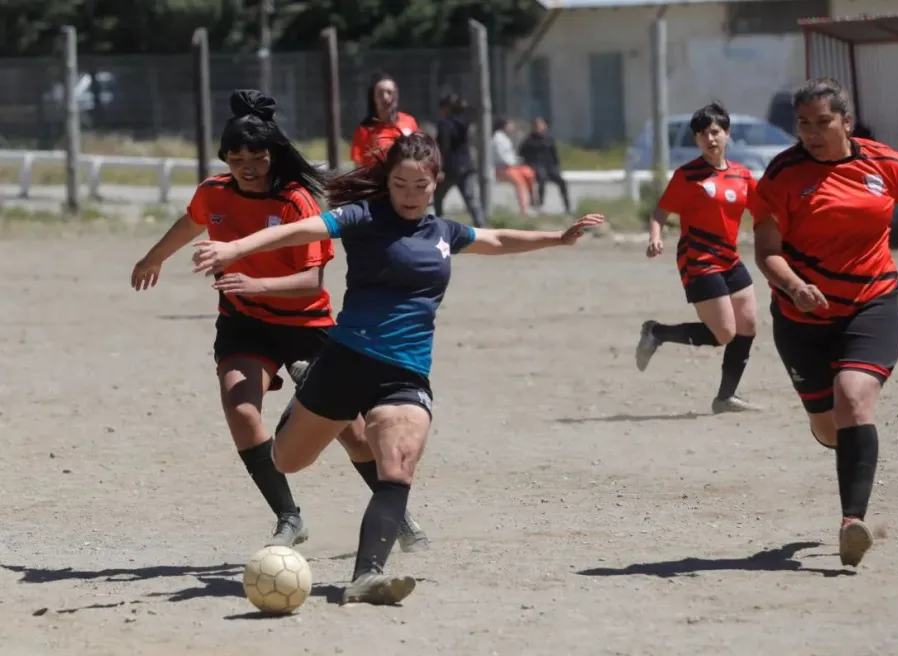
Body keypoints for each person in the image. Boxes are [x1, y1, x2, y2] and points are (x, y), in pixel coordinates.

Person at [190, 131, 604, 605]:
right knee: (288, 460)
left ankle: (367, 575)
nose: (409, 196)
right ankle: (304, 395)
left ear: (436, 183)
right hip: (346, 360)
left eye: (419, 186)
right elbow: (299, 231)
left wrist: (558, 237)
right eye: (400, 184)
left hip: (406, 371)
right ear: (387, 182)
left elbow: (494, 238)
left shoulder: (444, 233)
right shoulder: (364, 217)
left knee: (397, 468)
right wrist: (234, 248)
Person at [130, 90, 430, 552]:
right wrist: (154, 257)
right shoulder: (214, 192)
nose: (247, 165)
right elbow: (192, 221)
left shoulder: (295, 201)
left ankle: (398, 514)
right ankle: (289, 517)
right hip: (243, 323)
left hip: (306, 326)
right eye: (236, 157)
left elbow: (311, 281)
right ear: (224, 158)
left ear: (274, 155)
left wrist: (255, 284)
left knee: (350, 432)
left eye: (257, 155)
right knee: (240, 408)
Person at [750, 78, 898, 569]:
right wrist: (794, 286)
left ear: (847, 122)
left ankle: (850, 522)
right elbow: (767, 252)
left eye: (823, 122)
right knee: (830, 426)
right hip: (800, 315)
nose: (812, 133)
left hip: (870, 302)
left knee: (853, 398)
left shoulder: (886, 164)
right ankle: (840, 441)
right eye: (804, 124)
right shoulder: (782, 174)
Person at [635, 102, 761, 414]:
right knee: (724, 334)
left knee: (747, 325)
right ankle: (657, 332)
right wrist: (655, 235)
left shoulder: (742, 176)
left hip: (730, 259)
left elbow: (766, 215)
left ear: (727, 134)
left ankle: (725, 398)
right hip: (699, 259)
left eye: (716, 132)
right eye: (702, 134)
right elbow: (660, 211)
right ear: (696, 140)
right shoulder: (687, 175)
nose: (710, 139)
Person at [434, 92, 486, 227]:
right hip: (466, 166)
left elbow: (444, 147)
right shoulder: (465, 122)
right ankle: (481, 226)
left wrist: (439, 167)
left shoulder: (444, 124)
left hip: (449, 168)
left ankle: (436, 225)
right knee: (471, 199)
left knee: (438, 198)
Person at [350, 71, 419, 169]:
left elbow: (419, 155)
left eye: (389, 92)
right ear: (373, 98)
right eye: (380, 93)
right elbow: (358, 167)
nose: (385, 97)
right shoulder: (363, 131)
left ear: (396, 96)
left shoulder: (409, 122)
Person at [519, 117, 571, 215]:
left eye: (541, 125)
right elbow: (521, 154)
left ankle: (567, 207)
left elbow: (554, 154)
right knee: (542, 179)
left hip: (549, 166)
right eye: (537, 126)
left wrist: (557, 166)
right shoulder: (529, 140)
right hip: (536, 165)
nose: (539, 128)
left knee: (561, 181)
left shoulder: (548, 139)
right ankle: (540, 206)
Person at [492, 117, 537, 215]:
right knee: (520, 183)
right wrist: (514, 162)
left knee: (529, 173)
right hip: (503, 168)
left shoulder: (505, 137)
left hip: (512, 166)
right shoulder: (498, 138)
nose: (512, 125)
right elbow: (502, 156)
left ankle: (532, 203)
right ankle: (524, 208)